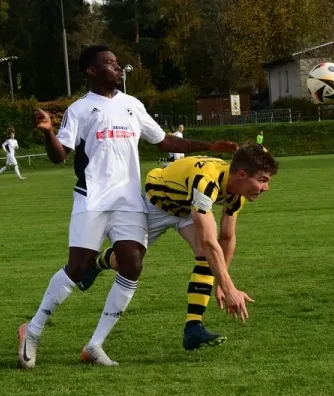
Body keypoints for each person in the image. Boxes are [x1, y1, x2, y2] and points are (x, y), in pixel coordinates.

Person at [17, 45, 239, 369]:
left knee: (132, 265)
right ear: (92, 70)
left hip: (129, 201)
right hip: (92, 197)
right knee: (78, 267)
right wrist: (49, 132)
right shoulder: (79, 110)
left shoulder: (132, 104)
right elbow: (59, 156)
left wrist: (207, 145)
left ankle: (95, 345)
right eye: (110, 64)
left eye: (118, 63)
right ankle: (32, 330)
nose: (118, 68)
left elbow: (163, 140)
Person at [78, 145, 279, 350]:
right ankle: (96, 263)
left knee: (205, 255)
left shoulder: (236, 194)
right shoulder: (206, 183)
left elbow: (227, 237)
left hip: (185, 208)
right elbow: (211, 242)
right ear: (243, 175)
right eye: (262, 180)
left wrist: (222, 282)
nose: (266, 188)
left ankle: (193, 328)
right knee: (127, 262)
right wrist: (229, 289)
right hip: (155, 204)